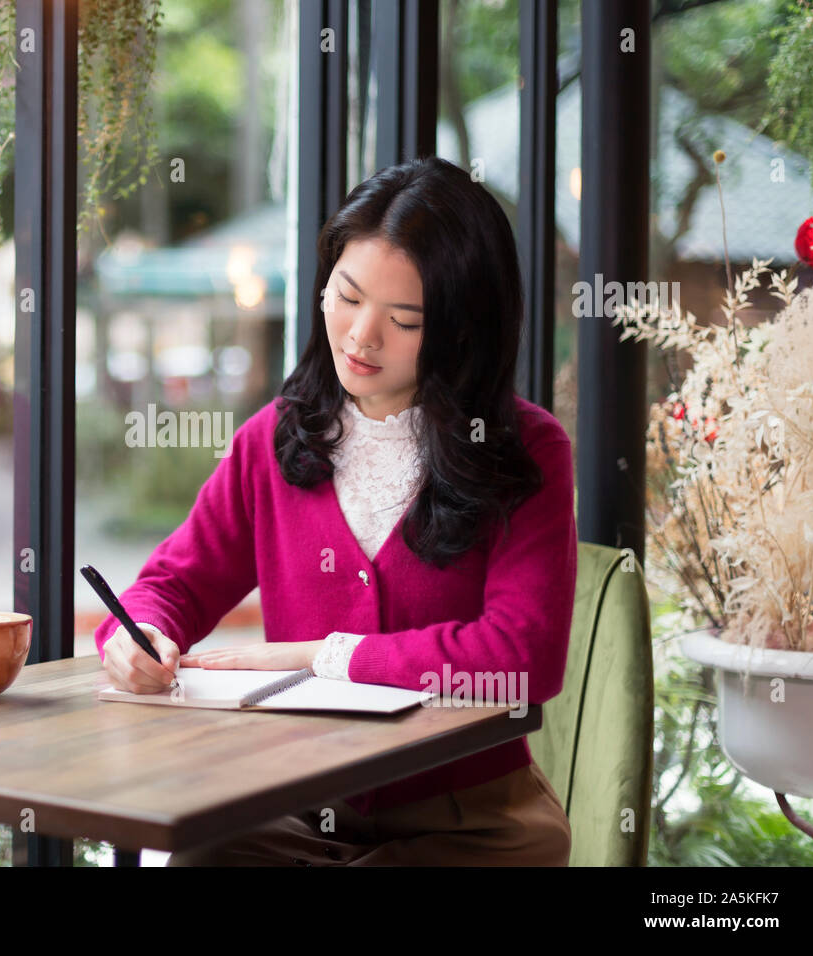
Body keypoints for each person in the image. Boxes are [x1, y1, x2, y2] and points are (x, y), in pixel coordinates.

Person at [94, 156, 576, 866]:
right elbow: (174, 584)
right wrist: (137, 635)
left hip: (471, 825)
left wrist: (328, 658)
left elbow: (522, 657)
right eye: (347, 297)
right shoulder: (274, 440)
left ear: (463, 329)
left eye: (404, 318)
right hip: (294, 810)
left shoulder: (525, 450)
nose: (361, 337)